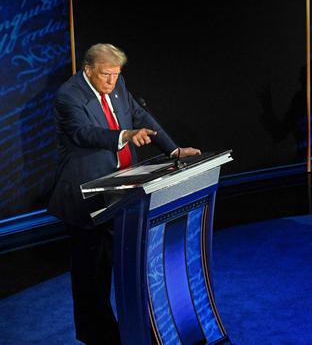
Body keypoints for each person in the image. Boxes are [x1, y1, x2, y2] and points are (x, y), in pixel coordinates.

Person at [47, 43, 200, 344]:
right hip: (86, 196)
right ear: (88, 69)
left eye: (117, 75)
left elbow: (140, 115)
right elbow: (84, 133)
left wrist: (173, 149)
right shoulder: (69, 95)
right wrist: (124, 136)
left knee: (128, 262)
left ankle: (132, 331)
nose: (112, 81)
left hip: (122, 192)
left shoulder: (118, 85)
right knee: (92, 276)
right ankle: (97, 336)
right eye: (106, 75)